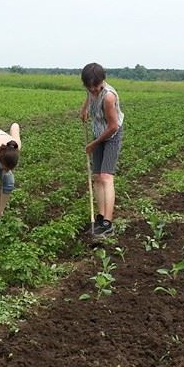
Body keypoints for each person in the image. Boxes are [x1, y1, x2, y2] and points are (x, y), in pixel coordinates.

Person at [80, 63, 124, 237]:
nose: (93, 91)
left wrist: (94, 143)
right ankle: (100, 216)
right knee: (96, 177)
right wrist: (84, 110)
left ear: (102, 81)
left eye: (96, 88)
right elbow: (89, 97)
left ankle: (108, 222)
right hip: (99, 133)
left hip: (112, 136)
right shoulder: (91, 90)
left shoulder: (108, 97)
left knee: (106, 177)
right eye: (89, 88)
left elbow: (113, 127)